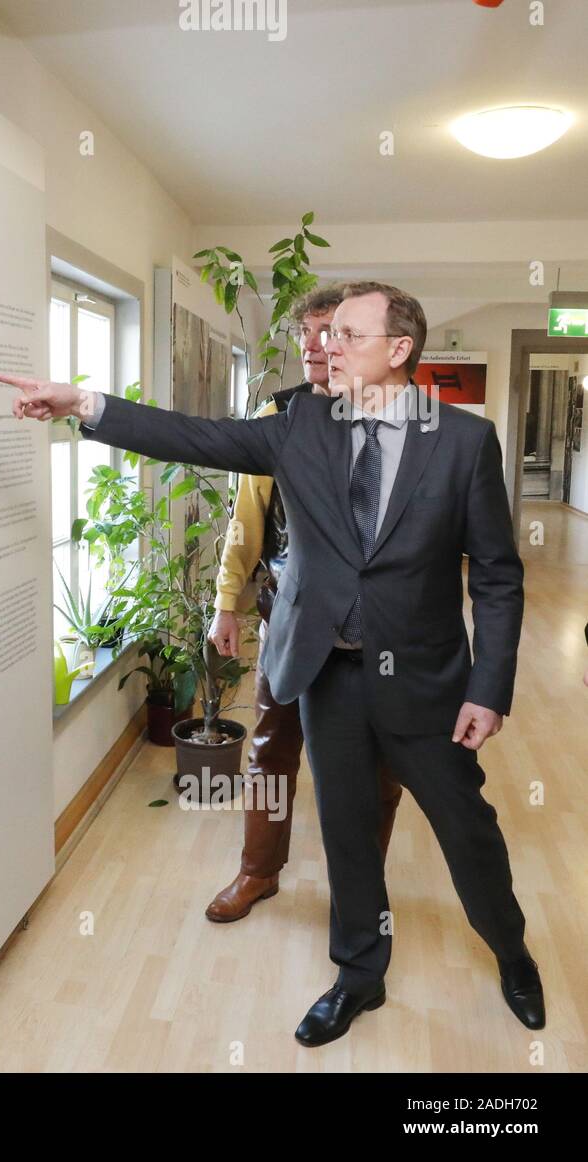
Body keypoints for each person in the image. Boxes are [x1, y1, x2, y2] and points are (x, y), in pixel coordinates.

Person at [0, 281, 544, 1046]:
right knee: (348, 833)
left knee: (468, 832)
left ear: (399, 349)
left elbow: (496, 574)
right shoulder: (301, 425)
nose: (326, 348)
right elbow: (196, 437)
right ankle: (358, 974)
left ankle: (512, 952)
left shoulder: (461, 442)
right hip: (329, 677)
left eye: (347, 335)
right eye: (327, 336)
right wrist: (85, 405)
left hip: (427, 684)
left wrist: (490, 686)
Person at [204, 285, 403, 923]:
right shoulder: (276, 419)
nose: (320, 345)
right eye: (310, 333)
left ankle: (362, 891)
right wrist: (225, 604)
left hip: (377, 633)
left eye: (335, 331)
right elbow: (245, 524)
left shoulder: (397, 417)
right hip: (290, 617)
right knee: (270, 746)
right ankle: (258, 871)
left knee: (379, 763)